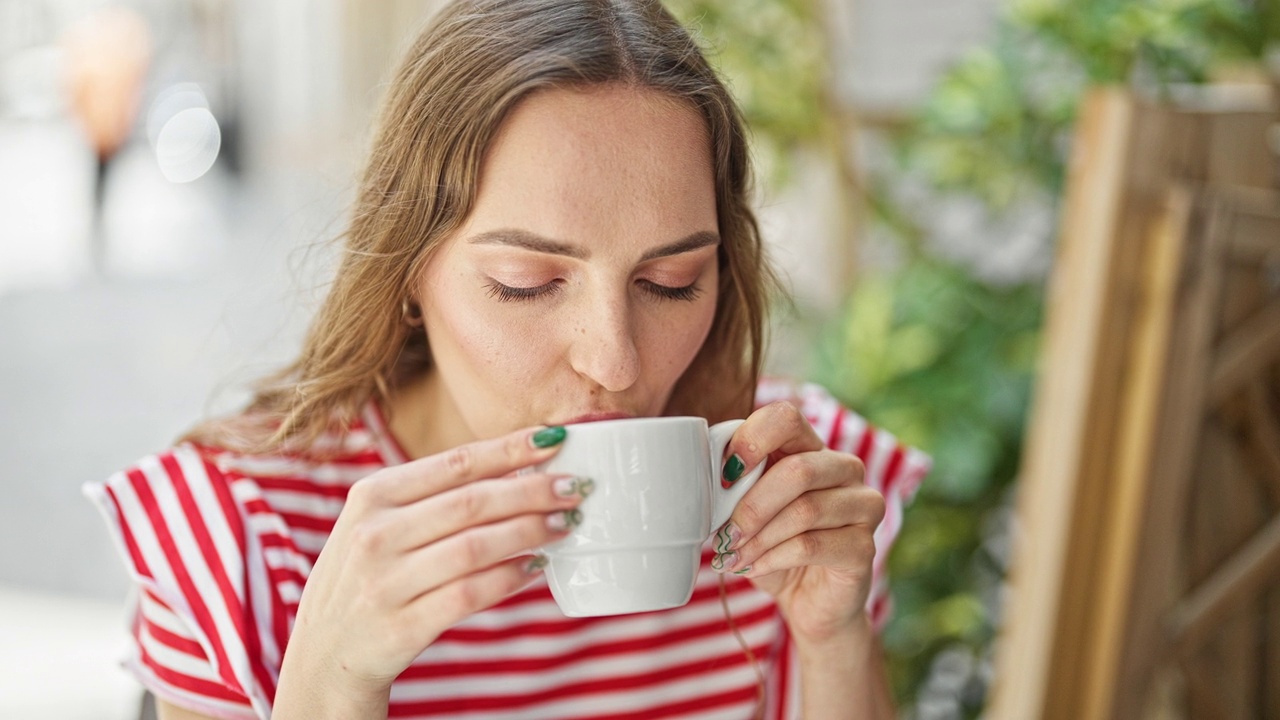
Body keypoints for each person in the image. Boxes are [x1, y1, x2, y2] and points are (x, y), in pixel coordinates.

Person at [84, 1, 931, 718]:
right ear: (408, 272)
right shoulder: (234, 537)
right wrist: (329, 682)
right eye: (525, 284)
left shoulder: (783, 487)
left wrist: (832, 646)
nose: (615, 362)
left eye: (671, 282)